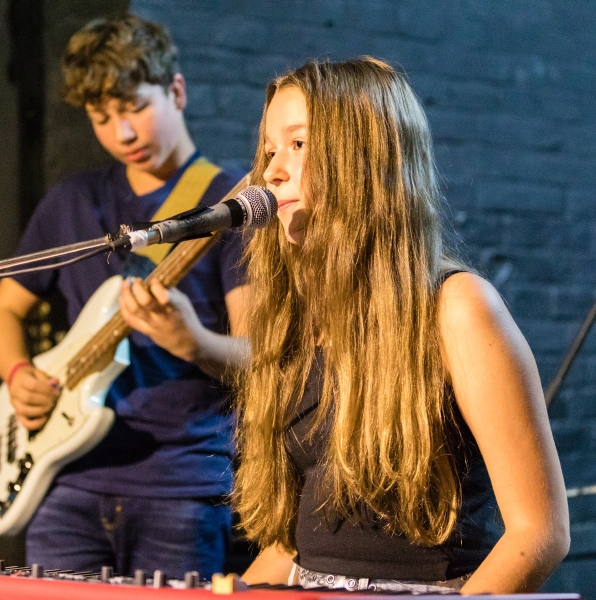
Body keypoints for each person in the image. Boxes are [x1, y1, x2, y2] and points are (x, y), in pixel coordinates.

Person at [234, 57, 569, 594]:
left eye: (297, 145)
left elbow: (539, 532)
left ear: (364, 161)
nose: (270, 171)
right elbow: (299, 546)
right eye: (270, 149)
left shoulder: (457, 307)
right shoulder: (296, 319)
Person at [0, 14, 250, 578]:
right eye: (102, 118)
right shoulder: (74, 201)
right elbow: (2, 311)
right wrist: (16, 374)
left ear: (176, 90)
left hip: (179, 488)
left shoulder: (229, 206)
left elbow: (261, 355)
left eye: (134, 108)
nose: (121, 133)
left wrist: (194, 342)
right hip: (63, 481)